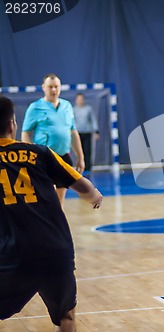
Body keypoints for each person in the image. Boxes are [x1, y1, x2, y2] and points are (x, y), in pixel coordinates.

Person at [0, 96, 103, 331]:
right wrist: (94, 196)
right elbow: (84, 187)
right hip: (55, 249)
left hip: (12, 253)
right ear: (12, 125)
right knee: (66, 316)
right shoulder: (40, 153)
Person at [21, 73, 85, 207]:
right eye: (50, 87)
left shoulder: (67, 106)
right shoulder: (35, 107)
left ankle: (58, 225)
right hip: (44, 159)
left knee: (59, 200)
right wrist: (29, 156)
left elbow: (73, 132)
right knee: (45, 197)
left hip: (63, 157)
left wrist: (80, 156)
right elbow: (26, 132)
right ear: (44, 87)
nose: (54, 90)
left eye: (56, 87)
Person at [73, 93, 99, 173]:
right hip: (77, 133)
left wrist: (96, 131)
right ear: (76, 100)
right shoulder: (74, 110)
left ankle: (88, 167)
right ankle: (80, 166)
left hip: (87, 132)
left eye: (81, 99)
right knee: (79, 151)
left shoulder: (88, 109)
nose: (80, 101)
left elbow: (93, 120)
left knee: (88, 150)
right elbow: (71, 122)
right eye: (78, 99)